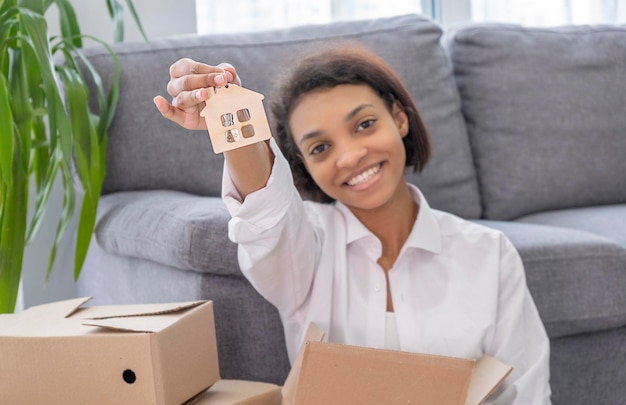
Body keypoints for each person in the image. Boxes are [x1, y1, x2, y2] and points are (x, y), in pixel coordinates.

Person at [153, 44, 551, 404]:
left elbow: (526, 391)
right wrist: (229, 108)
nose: (350, 157)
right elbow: (265, 211)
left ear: (399, 119)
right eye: (320, 148)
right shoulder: (305, 248)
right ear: (304, 167)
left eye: (364, 125)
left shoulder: (488, 253)